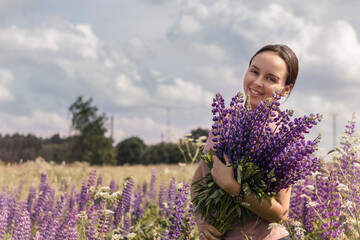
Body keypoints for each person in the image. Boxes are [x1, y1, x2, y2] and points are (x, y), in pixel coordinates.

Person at [191, 44, 298, 240]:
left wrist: (234, 189)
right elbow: (198, 180)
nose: (257, 82)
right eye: (254, 71)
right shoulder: (226, 119)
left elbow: (281, 213)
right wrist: (201, 222)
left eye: (270, 78)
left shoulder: (283, 137)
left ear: (285, 89)